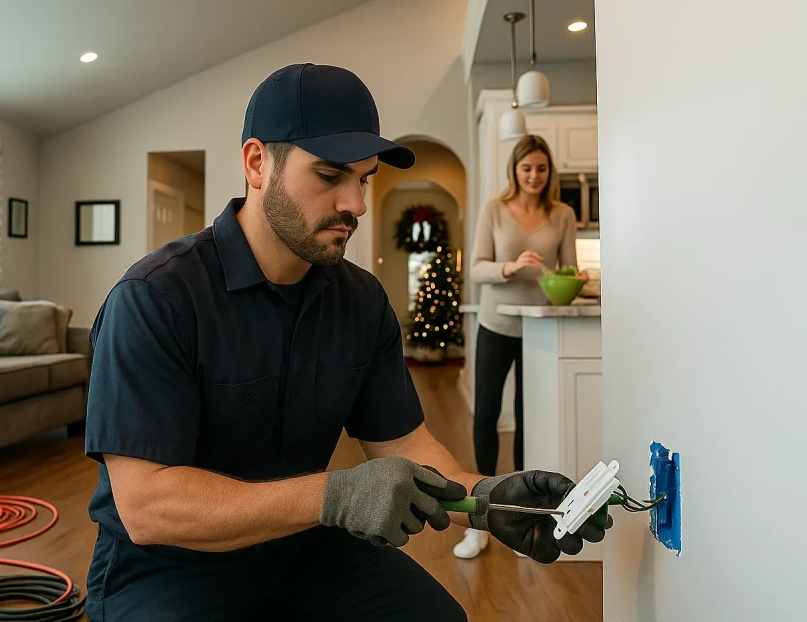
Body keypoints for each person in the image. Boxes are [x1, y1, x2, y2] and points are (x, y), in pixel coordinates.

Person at [82, 64, 609, 621]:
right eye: (330, 175)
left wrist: (490, 500)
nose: (355, 204)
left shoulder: (360, 301)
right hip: (168, 569)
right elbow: (148, 506)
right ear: (257, 163)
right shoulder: (157, 298)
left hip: (305, 546)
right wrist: (334, 496)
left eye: (364, 179)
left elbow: (406, 447)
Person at [453, 134, 589, 560]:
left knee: (530, 418)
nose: (534, 175)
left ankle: (521, 516)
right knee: (487, 415)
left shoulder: (563, 214)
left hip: (540, 329)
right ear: (515, 170)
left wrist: (577, 280)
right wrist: (511, 267)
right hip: (496, 324)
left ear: (550, 171)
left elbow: (568, 269)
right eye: (527, 168)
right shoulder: (494, 209)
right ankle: (479, 520)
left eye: (541, 168)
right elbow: (477, 269)